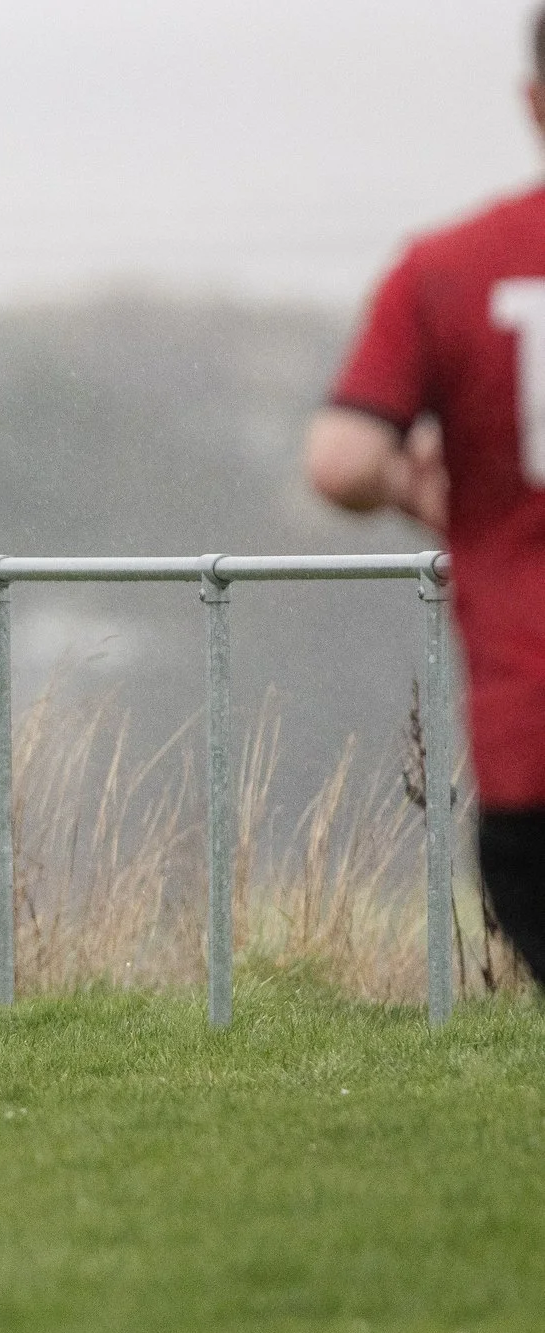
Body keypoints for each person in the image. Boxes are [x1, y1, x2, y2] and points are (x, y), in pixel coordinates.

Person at [308, 7, 545, 981]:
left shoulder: (447, 270)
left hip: (529, 748)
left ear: (533, 103)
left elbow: (339, 459)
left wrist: (416, 485)